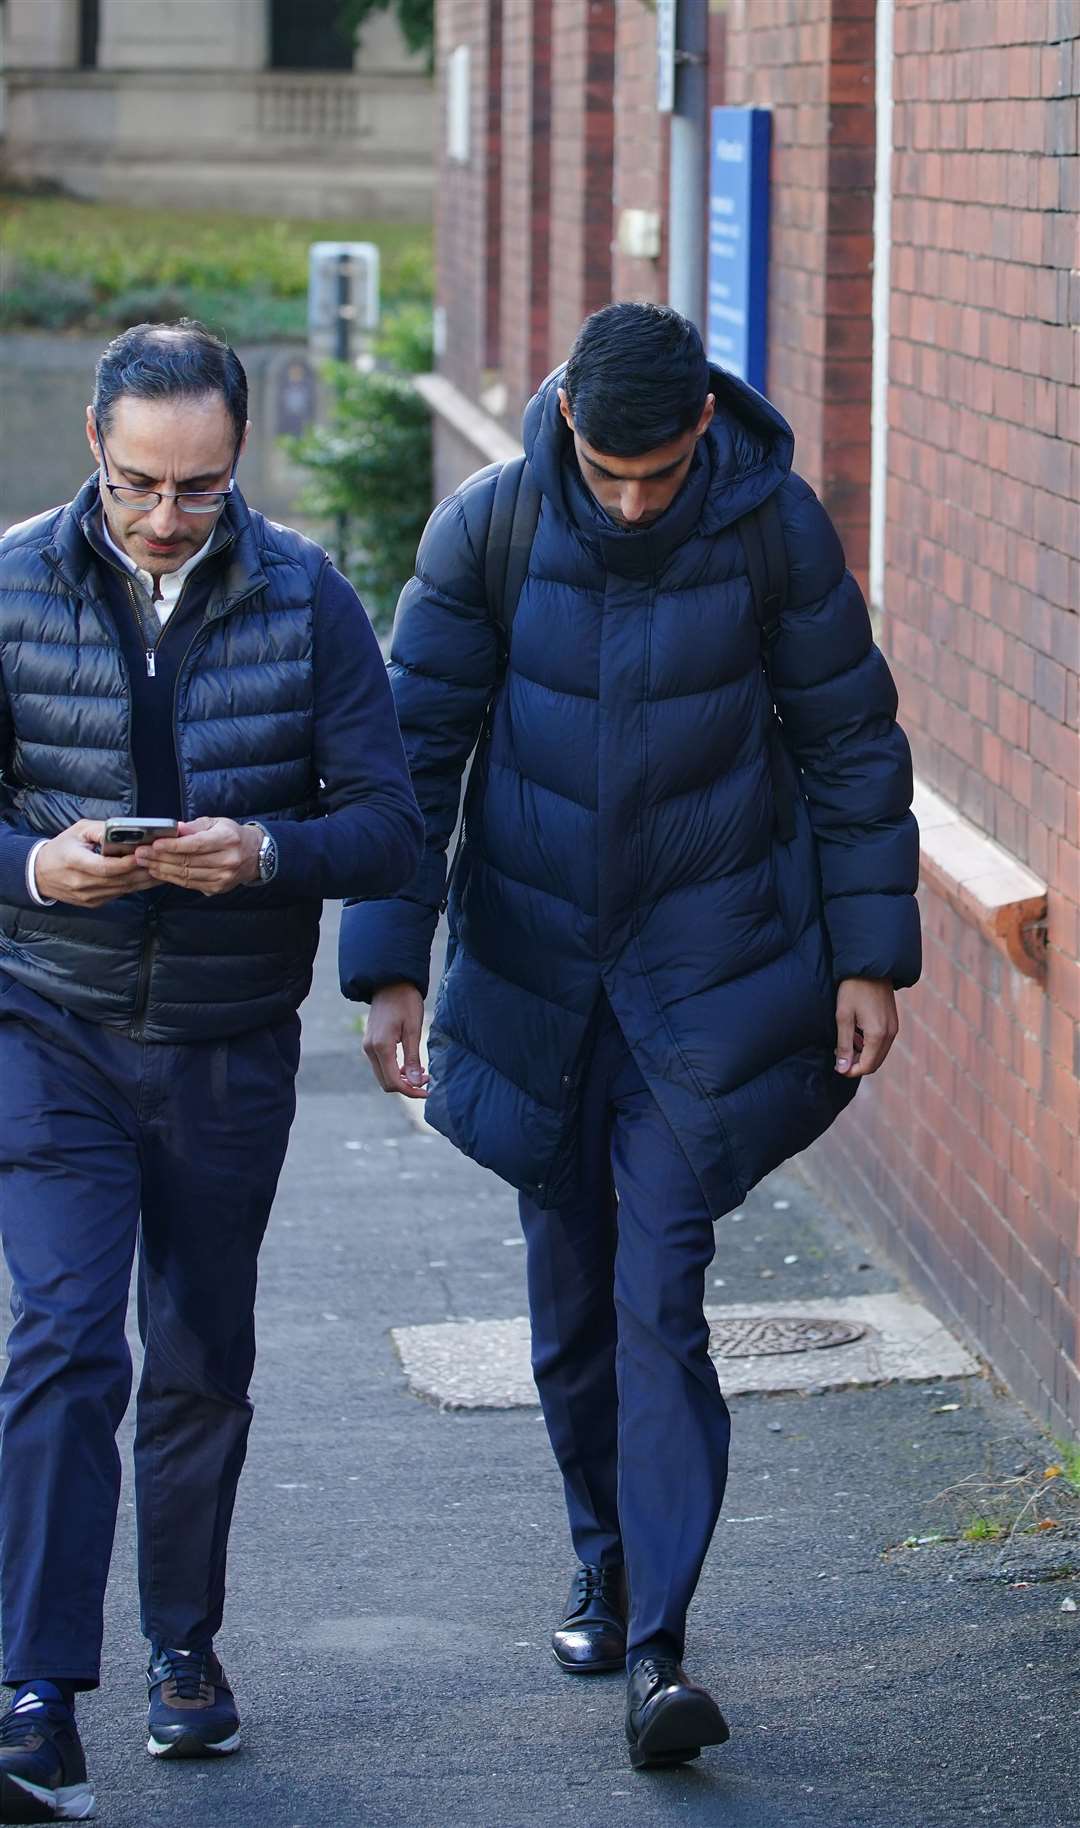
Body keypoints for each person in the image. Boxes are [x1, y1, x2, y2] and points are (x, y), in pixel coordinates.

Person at [342, 302, 921, 1773]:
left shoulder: (772, 530)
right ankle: (600, 1558)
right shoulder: (491, 527)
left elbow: (850, 739)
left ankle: (659, 1642)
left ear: (704, 432)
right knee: (572, 1304)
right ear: (571, 433)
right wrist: (387, 966)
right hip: (539, 977)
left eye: (660, 473)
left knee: (663, 1282)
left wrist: (871, 953)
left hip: (708, 974)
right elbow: (412, 750)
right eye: (611, 472)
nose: (635, 499)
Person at [0, 320, 422, 1822]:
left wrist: (264, 855)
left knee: (196, 1361)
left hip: (232, 1046)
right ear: (93, 455)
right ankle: (34, 1690)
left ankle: (185, 1650)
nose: (168, 516)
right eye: (139, 485)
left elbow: (387, 824)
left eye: (200, 488)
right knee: (59, 1342)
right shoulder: (9, 584)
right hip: (48, 1027)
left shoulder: (307, 596)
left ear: (240, 465)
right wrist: (38, 867)